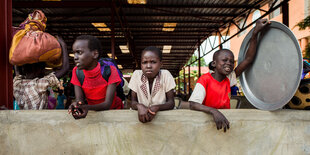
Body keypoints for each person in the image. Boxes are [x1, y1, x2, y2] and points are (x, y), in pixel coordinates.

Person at [188, 19, 270, 132]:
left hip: (224, 122)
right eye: (224, 60)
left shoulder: (229, 78)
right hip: (206, 125)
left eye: (231, 61)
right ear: (214, 64)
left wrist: (254, 33)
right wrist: (214, 111)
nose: (229, 63)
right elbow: (193, 104)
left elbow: (248, 59)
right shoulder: (205, 79)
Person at [68, 35, 123, 119]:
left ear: (95, 54)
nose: (75, 57)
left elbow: (107, 104)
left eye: (79, 52)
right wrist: (77, 106)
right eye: (74, 53)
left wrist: (86, 107)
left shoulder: (110, 70)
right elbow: (80, 101)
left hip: (115, 112)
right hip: (94, 112)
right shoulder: (76, 72)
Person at [13, 36, 69, 110]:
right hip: (38, 119)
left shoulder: (17, 83)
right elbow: (65, 69)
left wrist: (16, 46)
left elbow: (16, 66)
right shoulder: (39, 84)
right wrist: (63, 46)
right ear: (39, 70)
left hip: (23, 119)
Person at [128, 46, 175, 123]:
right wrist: (139, 106)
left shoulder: (166, 75)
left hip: (164, 120)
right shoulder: (136, 75)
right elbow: (133, 102)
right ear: (141, 64)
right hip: (140, 119)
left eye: (153, 62)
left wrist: (157, 107)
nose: (148, 66)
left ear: (161, 64)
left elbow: (171, 103)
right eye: (144, 62)